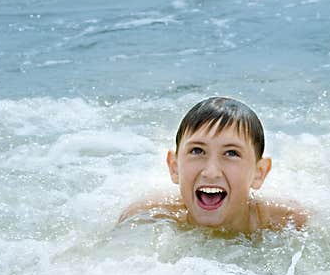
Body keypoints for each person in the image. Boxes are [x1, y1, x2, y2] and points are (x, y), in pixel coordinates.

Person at [118, 96, 309, 234]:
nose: (211, 172)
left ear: (259, 174)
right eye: (197, 151)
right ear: (174, 167)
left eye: (231, 153)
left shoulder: (288, 221)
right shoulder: (144, 216)